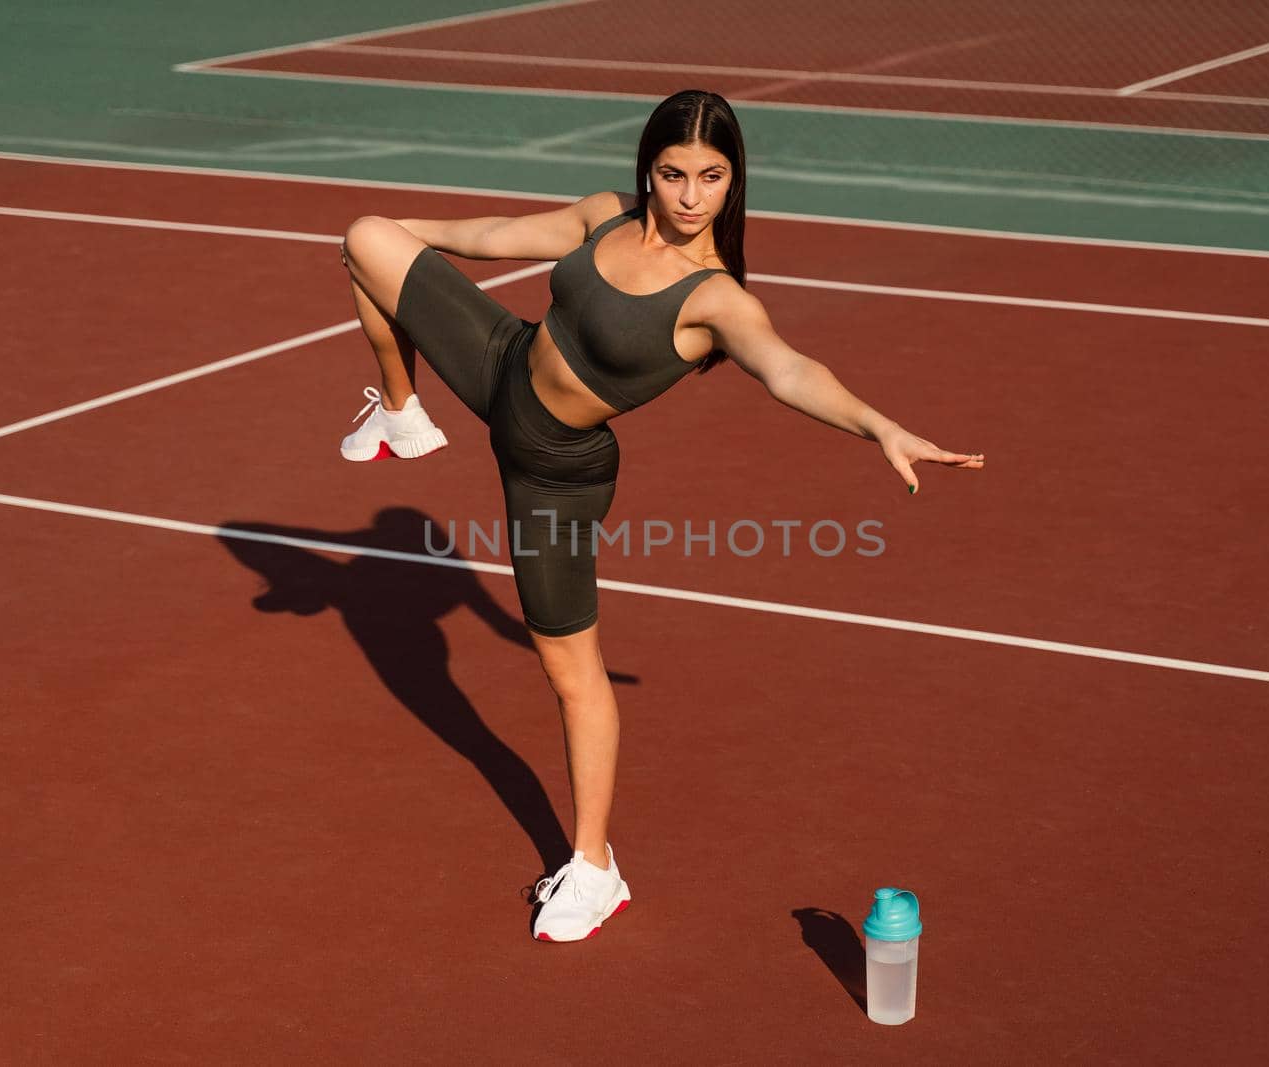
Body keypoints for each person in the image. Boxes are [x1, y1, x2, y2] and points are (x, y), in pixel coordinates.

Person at [336, 89, 984, 943]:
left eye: (709, 178)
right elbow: (495, 237)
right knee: (367, 237)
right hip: (501, 366)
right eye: (673, 173)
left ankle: (596, 866)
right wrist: (417, 245)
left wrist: (879, 424)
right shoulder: (606, 217)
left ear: (733, 182)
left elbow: (791, 370)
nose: (687, 196)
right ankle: (400, 409)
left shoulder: (715, 301)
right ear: (650, 165)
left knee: (571, 673)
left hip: (554, 473)